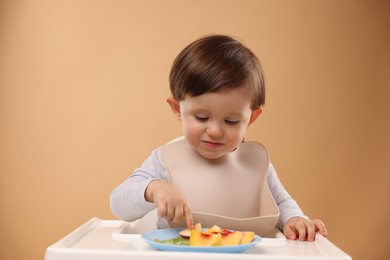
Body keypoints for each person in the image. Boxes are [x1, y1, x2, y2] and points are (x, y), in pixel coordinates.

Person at [110, 34, 327, 242]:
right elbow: (119, 204)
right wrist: (154, 188)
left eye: (231, 121)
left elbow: (280, 203)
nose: (215, 131)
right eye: (201, 117)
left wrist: (295, 219)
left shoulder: (256, 163)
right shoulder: (166, 161)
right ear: (177, 108)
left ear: (251, 118)